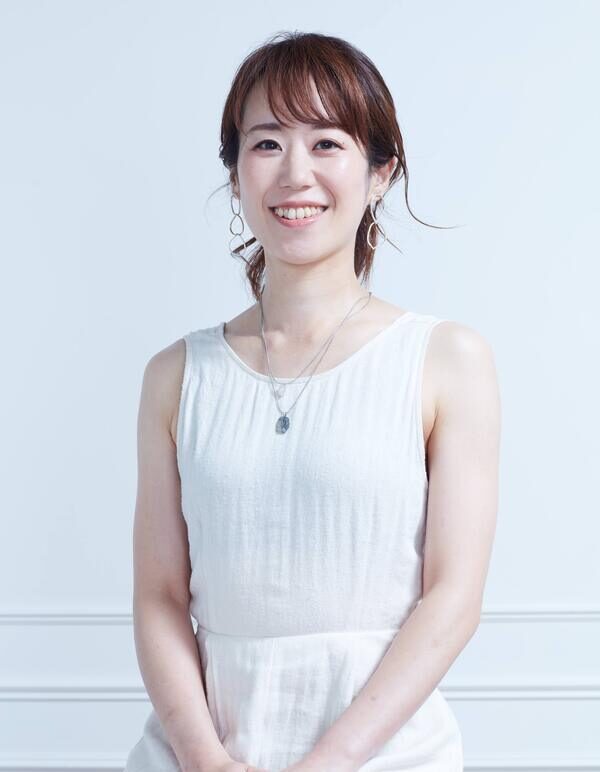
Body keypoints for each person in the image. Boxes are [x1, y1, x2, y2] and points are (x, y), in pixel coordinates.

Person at [124, 31, 501, 772]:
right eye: (266, 144)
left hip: (387, 753)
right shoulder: (175, 375)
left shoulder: (446, 359)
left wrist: (328, 762)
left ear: (381, 173)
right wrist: (203, 757)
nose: (295, 174)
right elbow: (160, 596)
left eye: (327, 143)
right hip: (201, 752)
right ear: (236, 174)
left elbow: (454, 597)